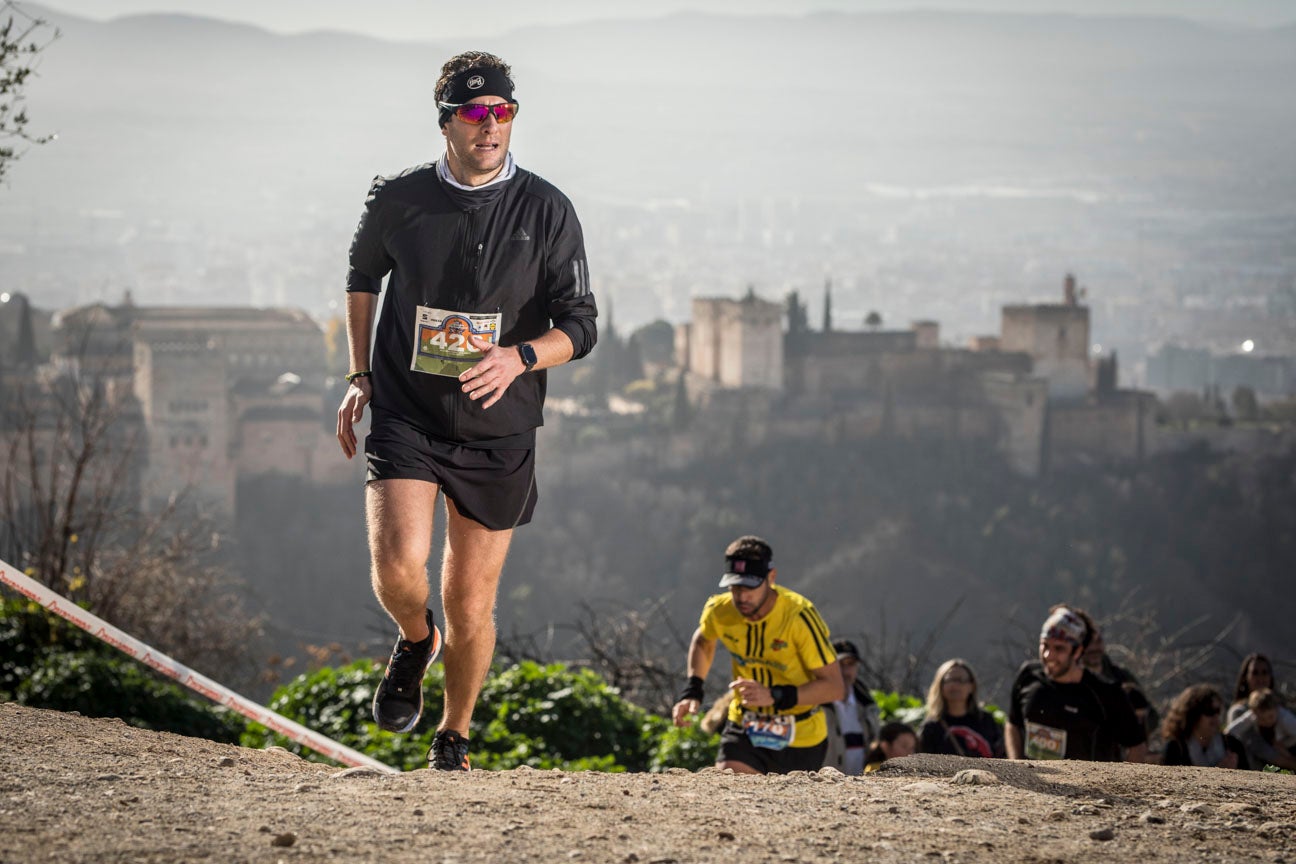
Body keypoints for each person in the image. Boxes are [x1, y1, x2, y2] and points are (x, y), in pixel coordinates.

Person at [335, 51, 597, 771]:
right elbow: (361, 276)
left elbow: (581, 325)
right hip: (408, 410)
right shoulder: (400, 198)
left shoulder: (547, 210)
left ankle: (453, 734)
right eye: (476, 113)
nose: (491, 126)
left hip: (498, 426)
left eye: (503, 112)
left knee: (471, 602)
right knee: (397, 568)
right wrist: (359, 372)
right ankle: (415, 639)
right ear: (447, 120)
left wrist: (520, 357)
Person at [671, 535, 845, 774]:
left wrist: (774, 695)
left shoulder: (798, 617)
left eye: (750, 586)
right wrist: (693, 689)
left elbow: (834, 687)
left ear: (771, 578)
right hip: (746, 726)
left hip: (801, 736)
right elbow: (703, 641)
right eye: (734, 587)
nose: (742, 597)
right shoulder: (720, 611)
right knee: (730, 784)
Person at [1005, 605, 1148, 762]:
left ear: (1078, 651)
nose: (1048, 655)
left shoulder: (1105, 693)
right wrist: (1016, 764)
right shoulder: (1028, 676)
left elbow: (1137, 745)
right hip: (1034, 784)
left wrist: (1120, 784)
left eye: (1059, 648)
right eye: (1044, 645)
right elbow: (1012, 723)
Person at [1079, 616, 1159, 742]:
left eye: (1098, 641)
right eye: (1090, 643)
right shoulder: (1072, 679)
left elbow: (1152, 716)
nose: (1094, 648)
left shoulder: (1122, 677)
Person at [918, 658, 1004, 758]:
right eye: (949, 680)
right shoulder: (931, 727)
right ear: (940, 686)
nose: (955, 685)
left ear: (971, 686)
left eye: (961, 680)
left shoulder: (987, 721)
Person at [822, 639, 882, 775]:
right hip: (825, 784)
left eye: (851, 664)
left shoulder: (868, 705)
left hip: (862, 787)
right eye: (839, 664)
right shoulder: (816, 706)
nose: (845, 671)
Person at [1161, 685, 1249, 769]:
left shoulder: (1233, 745)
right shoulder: (1175, 748)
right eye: (1209, 711)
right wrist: (1219, 773)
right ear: (1192, 714)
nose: (1215, 716)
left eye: (1217, 711)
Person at [1225, 688, 1296, 771]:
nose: (1267, 722)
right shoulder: (1252, 716)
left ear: (1277, 709)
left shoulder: (1285, 718)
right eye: (1262, 719)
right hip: (1272, 747)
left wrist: (1284, 744)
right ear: (1254, 713)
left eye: (1270, 717)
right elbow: (1233, 728)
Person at [1227, 653, 1279, 726]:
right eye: (1255, 673)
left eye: (1264, 673)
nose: (1260, 678)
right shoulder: (1239, 711)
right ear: (1245, 678)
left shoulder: (1279, 709)